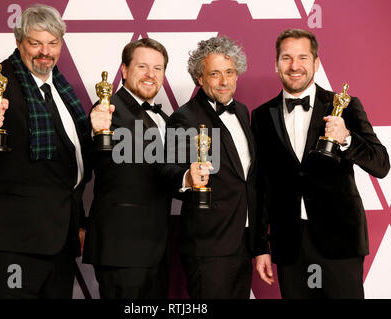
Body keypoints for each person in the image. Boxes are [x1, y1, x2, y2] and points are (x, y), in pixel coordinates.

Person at [252, 29, 390, 299]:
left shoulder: (345, 106)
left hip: (340, 241)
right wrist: (260, 246)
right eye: (286, 58)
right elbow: (259, 184)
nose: (294, 66)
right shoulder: (261, 116)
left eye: (303, 57)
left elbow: (381, 164)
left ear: (316, 63)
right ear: (276, 63)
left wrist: (347, 139)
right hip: (289, 243)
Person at [0, 4, 91, 298]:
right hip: (16, 237)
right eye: (35, 43)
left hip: (61, 237)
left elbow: (72, 167)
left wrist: (80, 222)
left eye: (52, 43)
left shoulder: (64, 90)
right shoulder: (0, 77)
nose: (44, 52)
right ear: (19, 42)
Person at [161, 36, 258, 299]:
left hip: (243, 240)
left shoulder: (243, 111)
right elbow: (167, 170)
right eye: (214, 74)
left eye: (229, 72)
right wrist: (188, 179)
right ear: (200, 79)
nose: (224, 81)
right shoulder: (185, 117)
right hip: (208, 245)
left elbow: (245, 178)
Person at [83, 38, 171, 299]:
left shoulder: (165, 120)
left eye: (157, 68)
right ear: (124, 70)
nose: (150, 75)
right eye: (142, 66)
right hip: (122, 247)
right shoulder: (108, 110)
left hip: (158, 247)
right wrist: (94, 132)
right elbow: (96, 158)